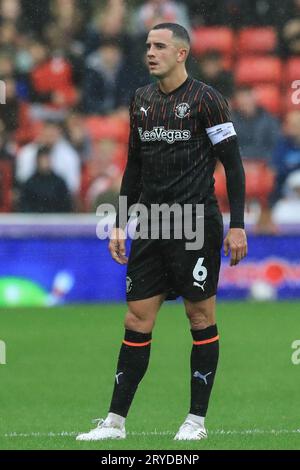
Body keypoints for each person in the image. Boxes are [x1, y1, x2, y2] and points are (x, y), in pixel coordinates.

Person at [77, 23, 247, 442]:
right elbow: (133, 168)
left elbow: (235, 164)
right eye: (148, 45)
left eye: (160, 46)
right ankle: (115, 423)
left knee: (199, 316)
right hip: (151, 225)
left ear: (182, 53)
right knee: (136, 319)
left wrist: (238, 225)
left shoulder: (207, 100)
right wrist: (120, 219)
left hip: (194, 224)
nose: (150, 52)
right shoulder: (140, 101)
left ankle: (195, 421)